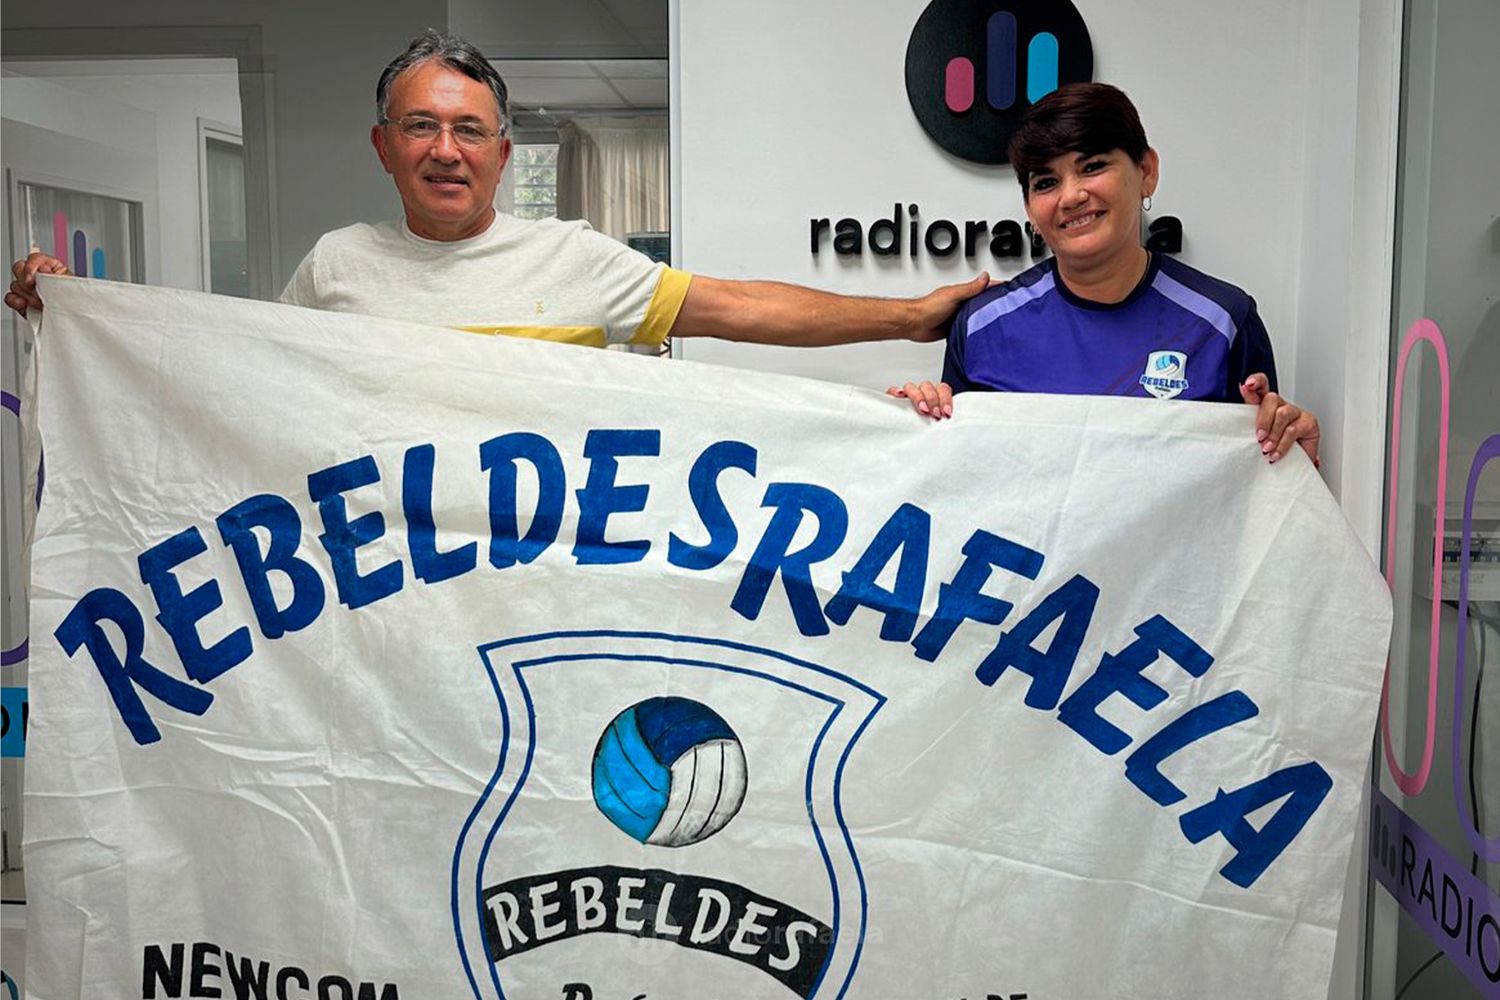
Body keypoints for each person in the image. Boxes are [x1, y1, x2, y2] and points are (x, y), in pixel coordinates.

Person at [8, 30, 982, 355]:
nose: (446, 150)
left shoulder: (574, 258)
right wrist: (86, 315)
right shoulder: (335, 268)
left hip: (536, 590)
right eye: (420, 126)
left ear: (503, 153)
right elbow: (236, 376)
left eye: (469, 130)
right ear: (383, 147)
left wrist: (908, 317)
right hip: (383, 609)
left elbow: (743, 307)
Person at [891, 83, 1320, 467]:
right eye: (1045, 183)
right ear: (1029, 209)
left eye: (1093, 166)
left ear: (1146, 172)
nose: (1071, 196)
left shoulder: (1223, 321)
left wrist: (1284, 445)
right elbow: (955, 483)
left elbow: (1253, 493)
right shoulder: (982, 325)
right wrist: (913, 423)